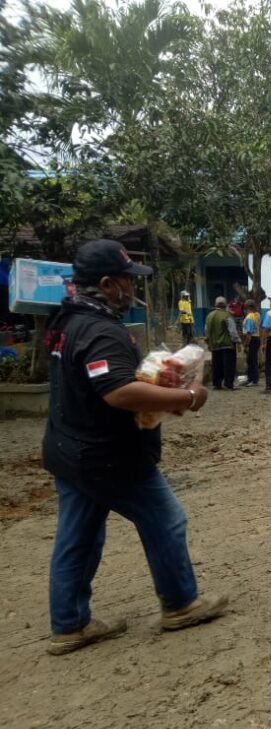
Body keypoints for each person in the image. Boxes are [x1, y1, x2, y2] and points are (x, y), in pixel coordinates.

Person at [41, 239, 226, 655]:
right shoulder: (99, 330)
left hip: (67, 448)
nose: (131, 289)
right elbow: (118, 393)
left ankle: (69, 623)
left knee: (79, 536)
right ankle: (181, 604)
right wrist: (188, 398)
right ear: (107, 284)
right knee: (166, 521)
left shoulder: (64, 321)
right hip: (109, 456)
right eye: (126, 281)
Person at [205, 296, 240, 390]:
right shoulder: (227, 315)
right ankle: (228, 384)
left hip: (215, 345)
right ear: (225, 305)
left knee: (217, 365)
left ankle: (217, 384)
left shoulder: (209, 316)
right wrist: (237, 341)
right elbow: (232, 331)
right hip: (227, 345)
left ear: (215, 304)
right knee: (229, 365)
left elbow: (206, 330)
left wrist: (208, 341)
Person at [241, 299, 261, 387]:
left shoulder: (249, 317)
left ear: (248, 307)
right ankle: (251, 378)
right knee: (252, 360)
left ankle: (253, 379)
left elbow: (248, 332)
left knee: (251, 361)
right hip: (257, 338)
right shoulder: (257, 315)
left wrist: (246, 344)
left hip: (251, 339)